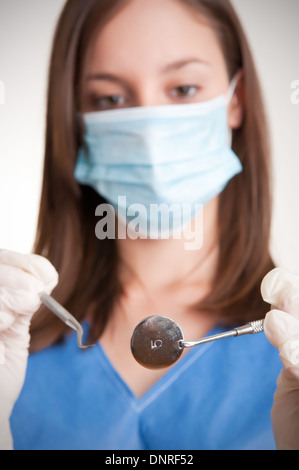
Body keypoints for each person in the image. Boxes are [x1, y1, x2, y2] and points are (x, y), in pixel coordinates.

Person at [0, 0, 298, 450]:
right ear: (76, 121)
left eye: (183, 88)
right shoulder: (13, 344)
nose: (150, 132)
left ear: (235, 100)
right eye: (110, 98)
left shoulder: (286, 347)